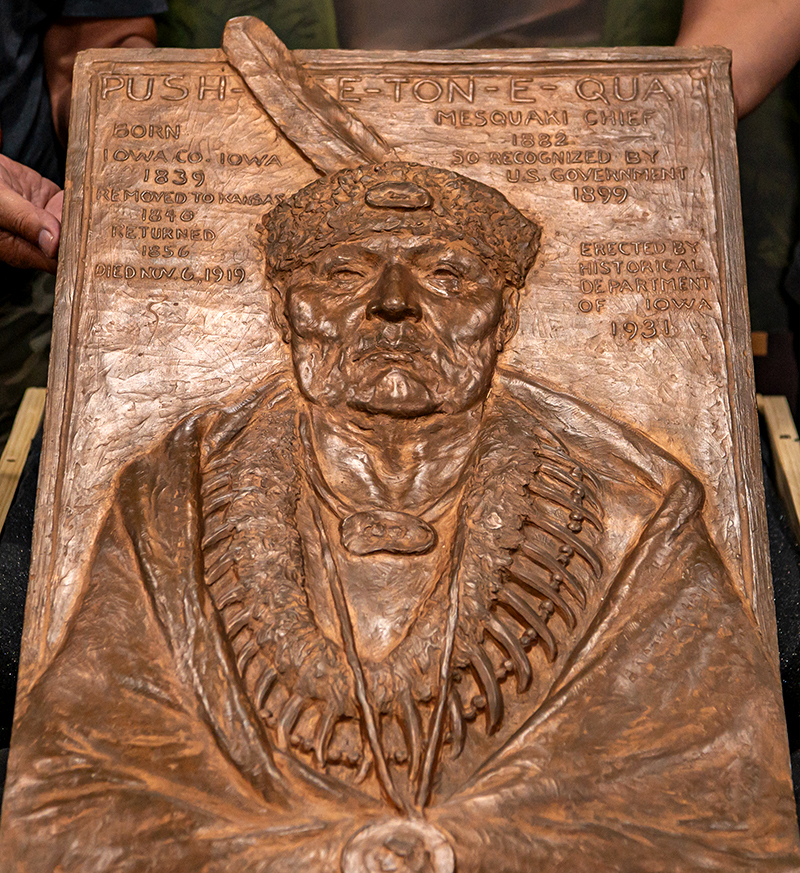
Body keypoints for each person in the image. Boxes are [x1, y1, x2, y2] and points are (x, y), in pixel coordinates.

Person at [2, 162, 798, 872]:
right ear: (285, 310)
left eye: (448, 274)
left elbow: (723, 798)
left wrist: (464, 846)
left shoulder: (634, 507)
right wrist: (331, 851)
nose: (391, 303)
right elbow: (70, 789)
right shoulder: (174, 492)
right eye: (342, 271)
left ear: (507, 316)